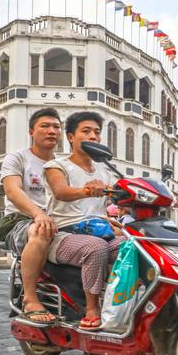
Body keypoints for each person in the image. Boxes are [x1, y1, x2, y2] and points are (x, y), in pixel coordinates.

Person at [43, 111, 125, 330]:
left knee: (133, 247)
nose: (93, 136)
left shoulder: (104, 170)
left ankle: (123, 303)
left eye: (97, 132)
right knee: (95, 248)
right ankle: (91, 310)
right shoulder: (56, 166)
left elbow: (119, 197)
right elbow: (61, 191)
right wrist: (87, 191)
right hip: (64, 235)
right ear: (71, 137)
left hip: (100, 231)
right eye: (86, 131)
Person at [0, 108, 62, 324]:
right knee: (41, 229)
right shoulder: (18, 157)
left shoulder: (63, 165)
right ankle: (30, 299)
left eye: (56, 127)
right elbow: (13, 191)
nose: (52, 131)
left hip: (57, 220)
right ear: (32, 131)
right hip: (19, 220)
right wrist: (38, 214)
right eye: (45, 126)